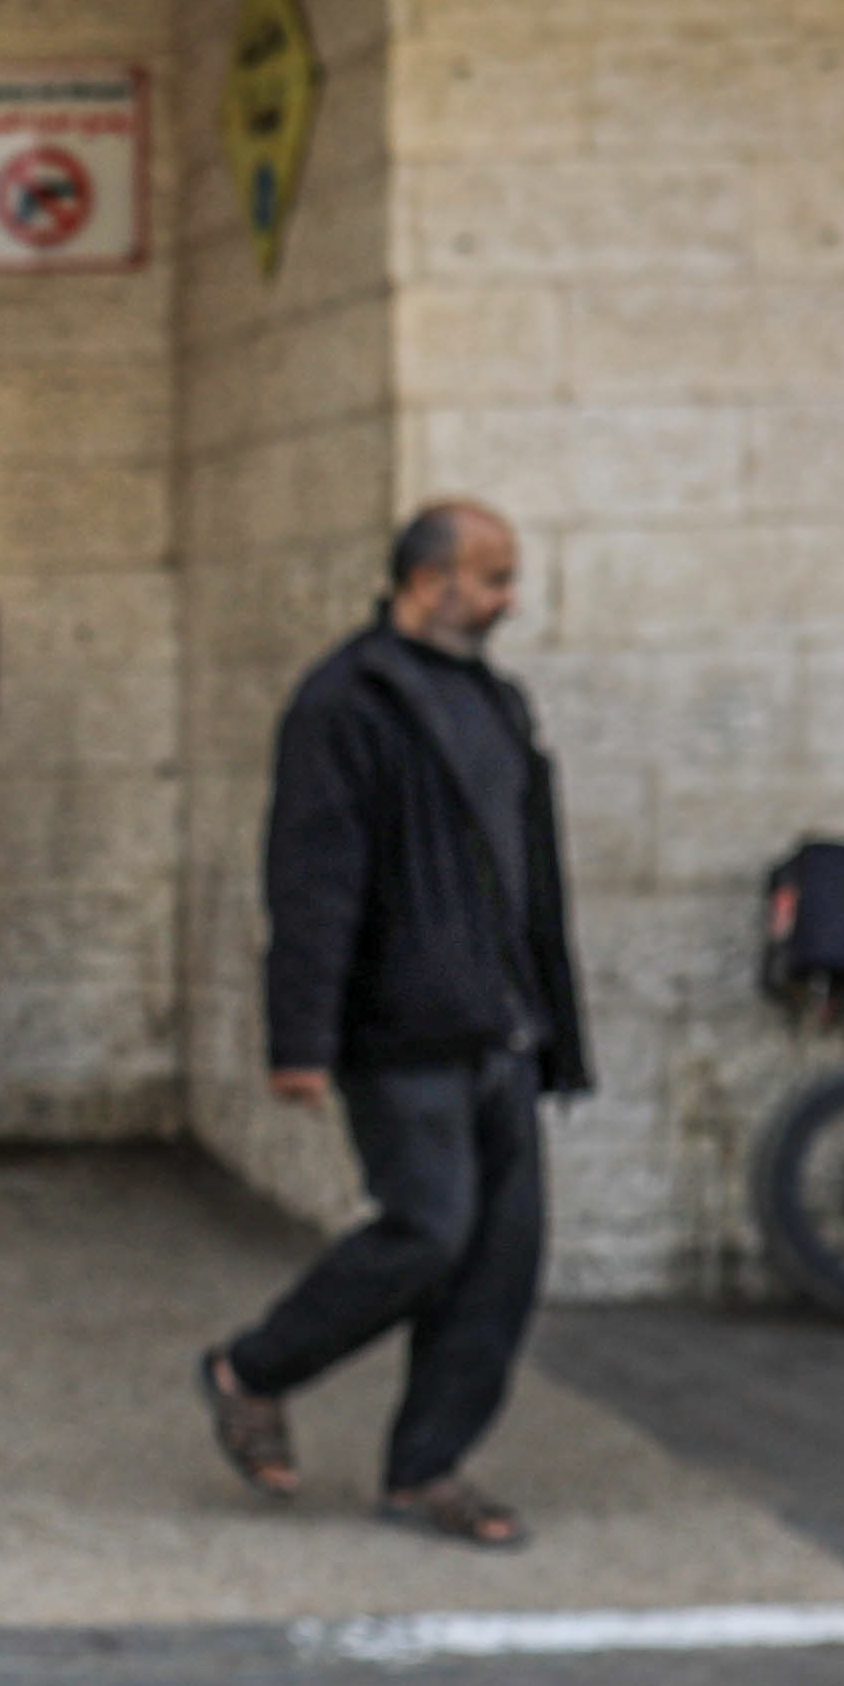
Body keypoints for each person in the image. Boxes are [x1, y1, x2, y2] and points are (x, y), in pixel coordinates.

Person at [195, 500, 590, 1549]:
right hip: (400, 1025)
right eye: (492, 576)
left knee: (499, 1258)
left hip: (501, 1027)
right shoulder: (347, 702)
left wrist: (550, 1019)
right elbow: (311, 879)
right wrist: (299, 1040)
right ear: (428, 580)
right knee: (427, 1229)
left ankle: (426, 1470)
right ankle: (252, 1368)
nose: (509, 597)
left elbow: (527, 874)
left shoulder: (495, 702)